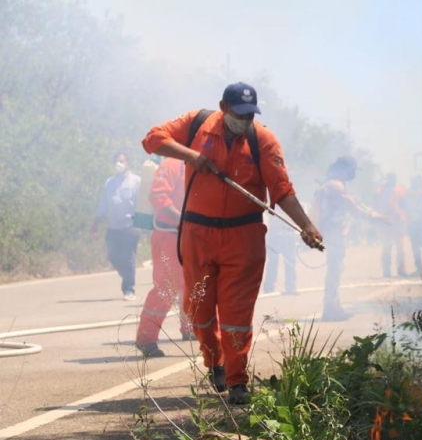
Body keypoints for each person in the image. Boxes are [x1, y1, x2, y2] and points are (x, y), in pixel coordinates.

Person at [141, 82, 322, 404]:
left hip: (243, 237)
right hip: (198, 234)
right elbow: (153, 140)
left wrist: (307, 226)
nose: (245, 120)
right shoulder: (197, 123)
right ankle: (214, 362)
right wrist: (192, 156)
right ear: (223, 107)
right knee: (197, 309)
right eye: (239, 114)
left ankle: (238, 381)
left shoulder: (262, 140)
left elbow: (281, 190)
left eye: (251, 114)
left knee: (236, 314)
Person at [314, 156, 388, 321]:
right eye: (352, 170)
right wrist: (375, 217)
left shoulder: (332, 184)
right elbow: (354, 207)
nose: (353, 173)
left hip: (333, 233)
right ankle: (330, 309)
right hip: (333, 234)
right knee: (335, 271)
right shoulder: (335, 186)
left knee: (336, 270)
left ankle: (333, 307)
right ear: (344, 168)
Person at [134, 157, 194, 359]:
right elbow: (158, 196)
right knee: (166, 287)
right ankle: (146, 339)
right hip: (169, 235)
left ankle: (190, 328)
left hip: (188, 234)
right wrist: (185, 220)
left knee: (193, 284)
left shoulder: (194, 161)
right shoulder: (173, 163)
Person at [91, 151, 141, 301]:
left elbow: (142, 205)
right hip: (113, 227)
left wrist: (138, 224)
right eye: (117, 162)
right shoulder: (109, 183)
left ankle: (129, 289)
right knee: (113, 256)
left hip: (130, 226)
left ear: (128, 163)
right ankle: (127, 275)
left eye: (122, 161)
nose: (119, 164)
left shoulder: (136, 181)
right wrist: (96, 222)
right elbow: (103, 205)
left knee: (128, 257)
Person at [373, 173, 407, 277]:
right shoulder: (381, 191)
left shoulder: (399, 190)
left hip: (395, 221)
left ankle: (398, 270)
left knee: (397, 247)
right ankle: (388, 271)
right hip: (387, 221)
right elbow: (375, 205)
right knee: (389, 246)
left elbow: (405, 205)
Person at [262, 214, 298, 295]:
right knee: (273, 262)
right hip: (275, 233)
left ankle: (290, 286)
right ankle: (269, 287)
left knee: (290, 262)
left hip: (287, 234)